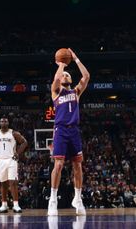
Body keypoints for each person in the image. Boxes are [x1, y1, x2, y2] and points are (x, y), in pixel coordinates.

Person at [48, 49, 90, 216]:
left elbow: (86, 77)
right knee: (58, 165)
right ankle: (53, 200)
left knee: (78, 166)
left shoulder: (76, 92)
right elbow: (56, 80)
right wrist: (61, 65)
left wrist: (76, 59)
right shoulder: (56, 92)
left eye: (67, 74)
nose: (64, 76)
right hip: (60, 130)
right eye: (63, 75)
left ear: (71, 79)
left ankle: (78, 198)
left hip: (74, 131)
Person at [0, 116, 28, 213]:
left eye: (5, 121)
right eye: (2, 121)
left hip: (11, 160)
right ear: (0, 123)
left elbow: (24, 142)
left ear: (8, 123)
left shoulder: (13, 133)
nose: (3, 123)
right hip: (0, 161)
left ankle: (16, 205)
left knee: (13, 182)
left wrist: (17, 153)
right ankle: (4, 205)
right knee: (3, 184)